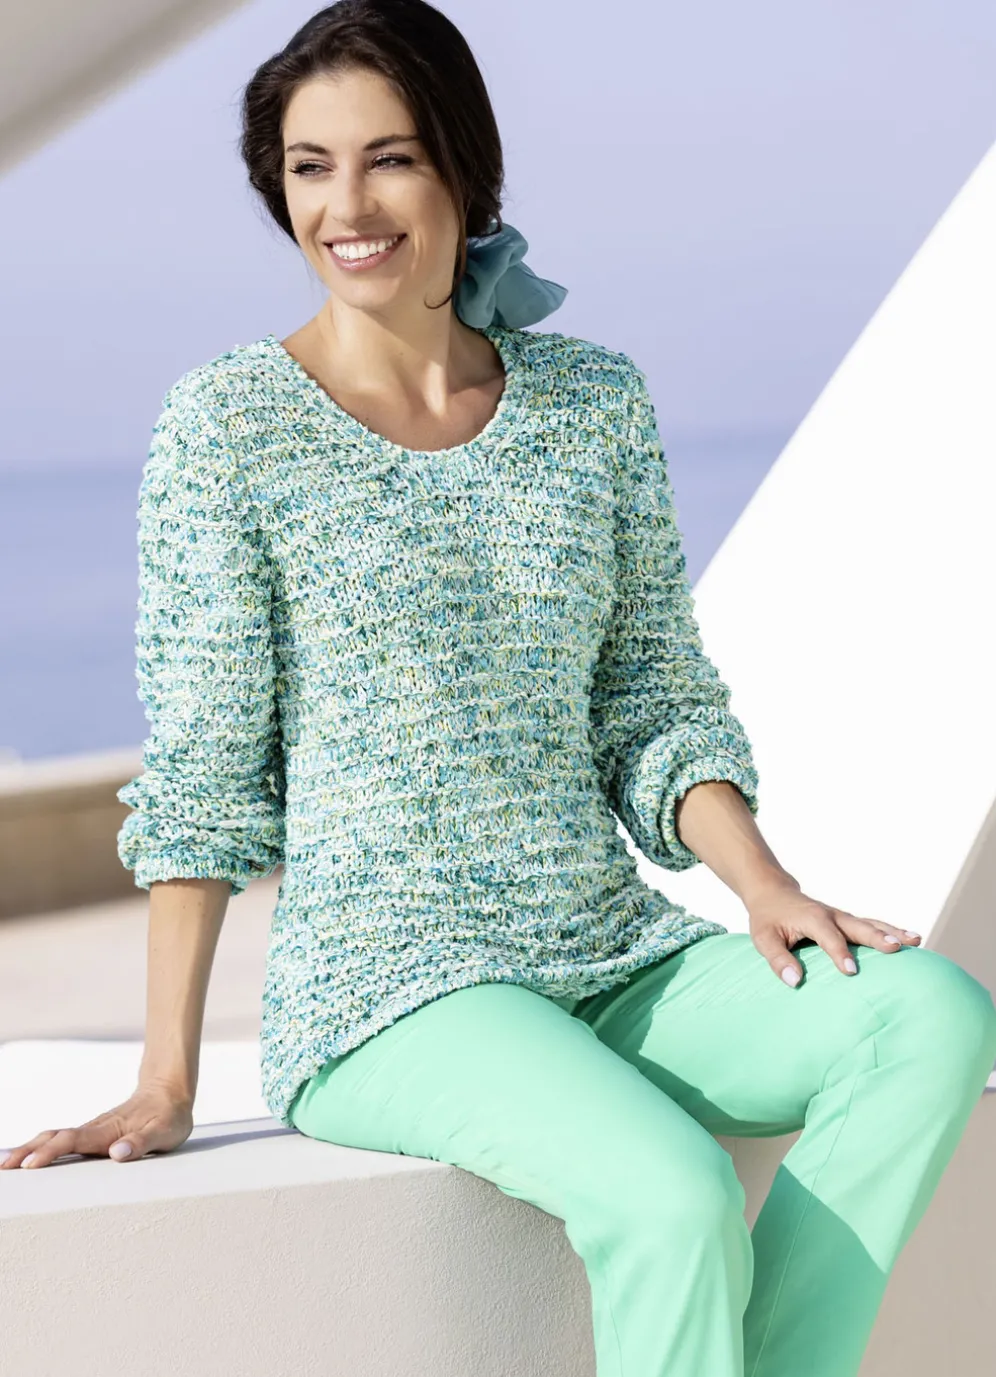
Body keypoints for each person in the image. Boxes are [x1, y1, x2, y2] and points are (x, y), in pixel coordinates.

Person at [4, 2, 995, 1374]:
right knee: (670, 1192)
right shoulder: (228, 425)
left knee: (929, 1016)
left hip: (613, 956)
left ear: (464, 170)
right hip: (387, 989)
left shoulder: (592, 404)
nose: (347, 206)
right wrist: (165, 1078)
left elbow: (652, 700)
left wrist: (766, 887)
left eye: (390, 158)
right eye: (309, 167)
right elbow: (206, 773)